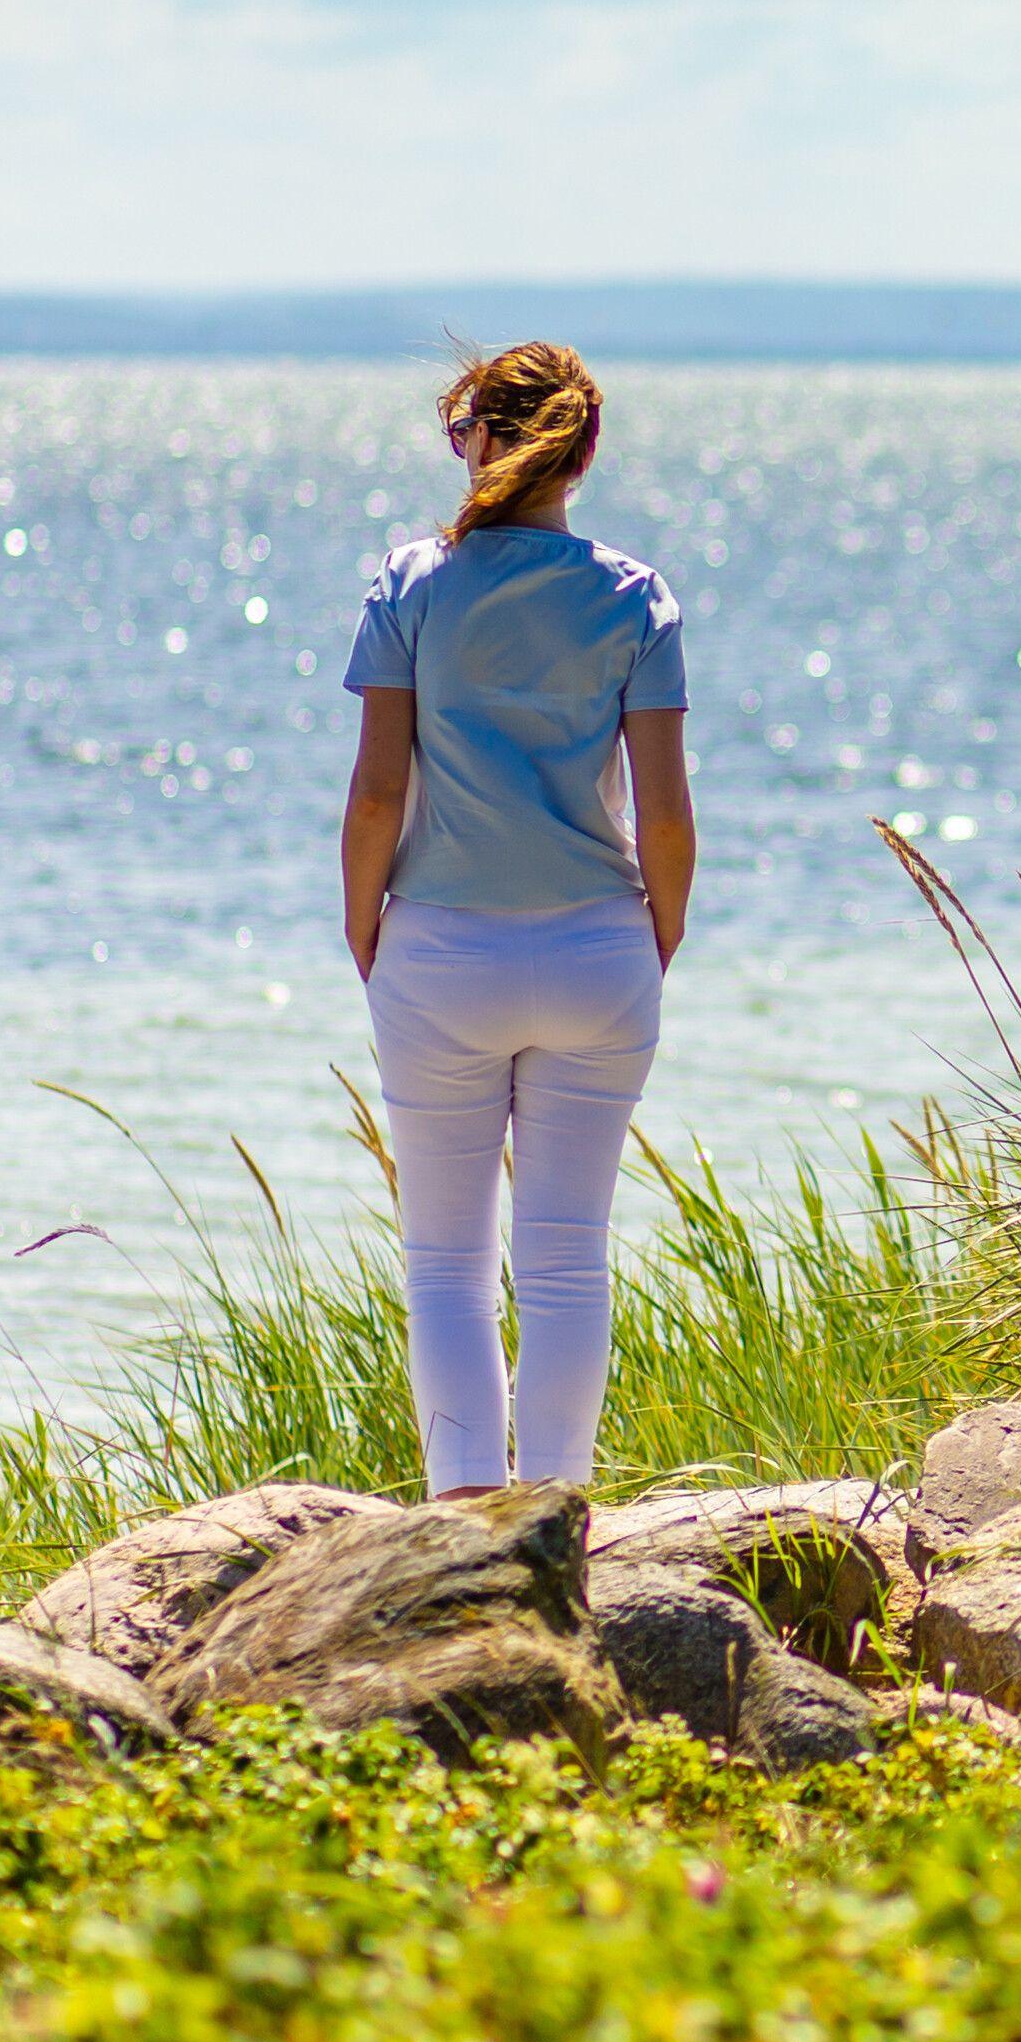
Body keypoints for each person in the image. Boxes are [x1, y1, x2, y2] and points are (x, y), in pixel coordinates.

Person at [339, 341, 694, 1500]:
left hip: (439, 949)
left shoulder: (408, 586)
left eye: (459, 433)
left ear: (483, 441)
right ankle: (556, 1522)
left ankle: (465, 1528)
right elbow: (665, 808)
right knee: (566, 1264)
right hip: (599, 949)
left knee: (445, 1266)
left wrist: (365, 932)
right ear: (580, 454)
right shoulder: (634, 596)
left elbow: (378, 792)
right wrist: (656, 939)